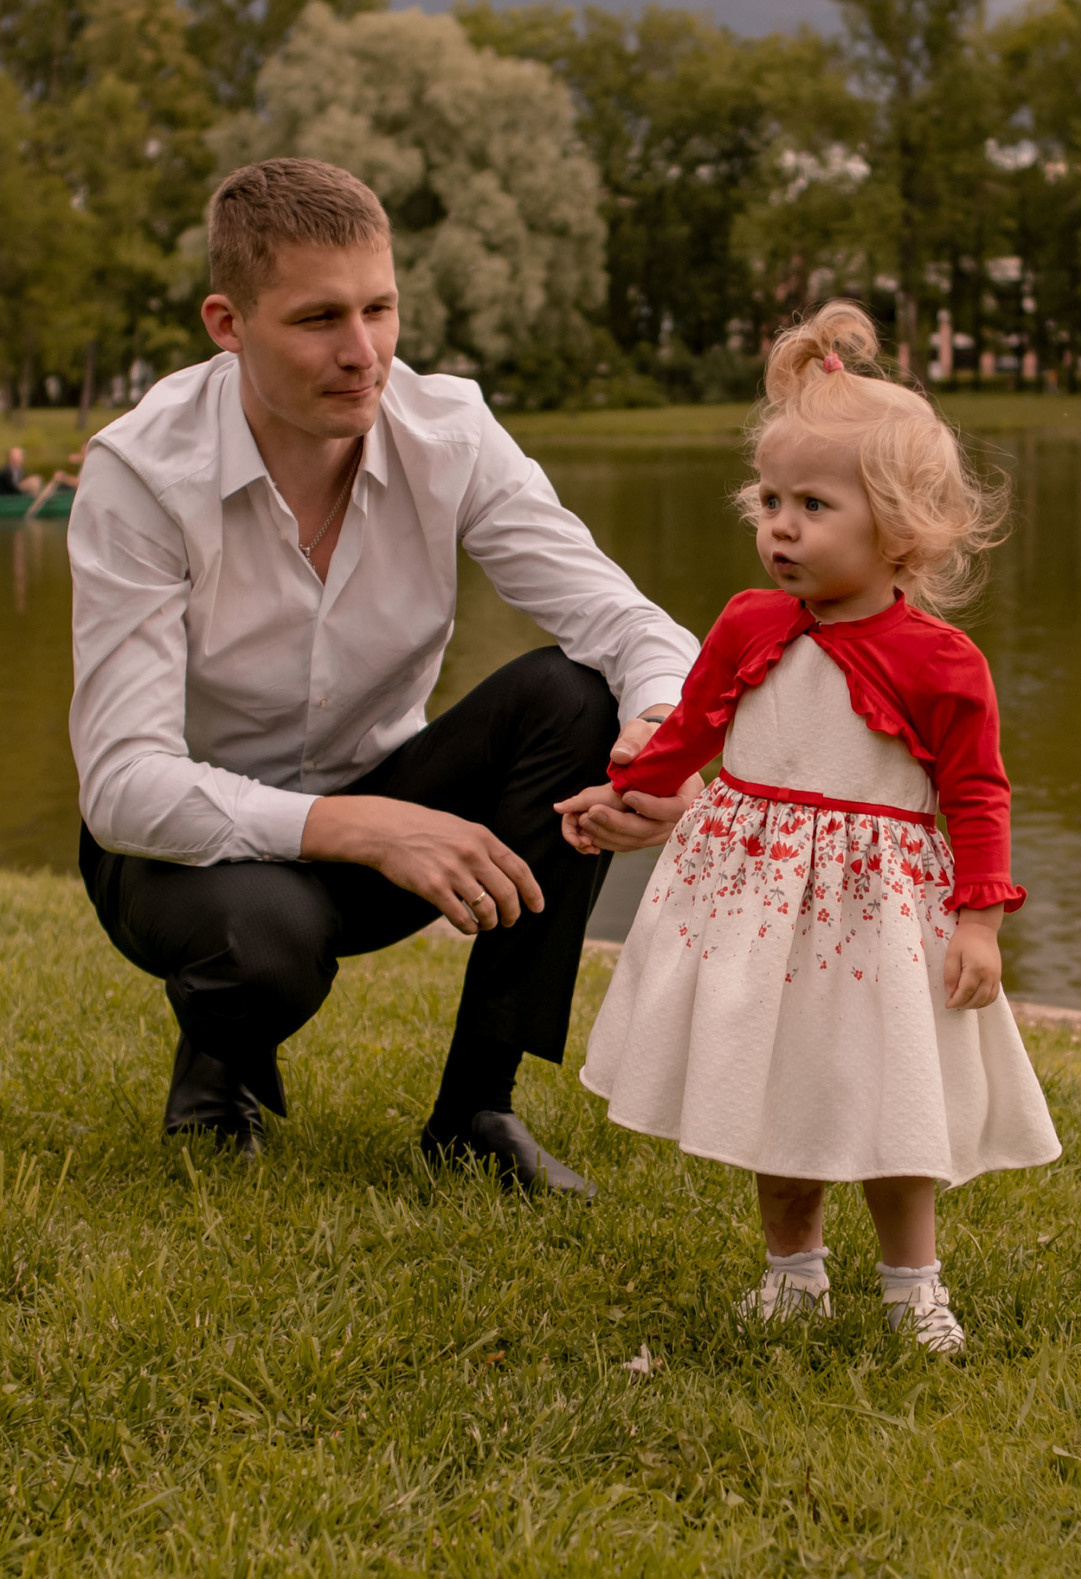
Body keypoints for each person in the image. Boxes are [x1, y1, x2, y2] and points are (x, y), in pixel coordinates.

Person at [69, 156, 700, 1192]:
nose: (362, 354)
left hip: (383, 819)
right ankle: (221, 1057)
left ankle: (475, 1115)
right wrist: (368, 830)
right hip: (177, 854)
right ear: (226, 324)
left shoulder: (448, 433)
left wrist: (660, 741)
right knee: (270, 938)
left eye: (380, 309)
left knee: (579, 696)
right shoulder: (141, 476)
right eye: (318, 319)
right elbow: (123, 787)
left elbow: (624, 621)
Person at [554, 301, 1061, 1352]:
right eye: (770, 500)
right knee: (775, 1085)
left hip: (876, 913)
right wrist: (624, 793)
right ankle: (793, 1270)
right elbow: (691, 730)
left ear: (898, 530)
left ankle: (910, 1281)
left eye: (813, 505)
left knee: (885, 1094)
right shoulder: (748, 622)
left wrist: (978, 921)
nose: (780, 526)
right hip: (752, 899)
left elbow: (976, 795)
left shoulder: (940, 663)